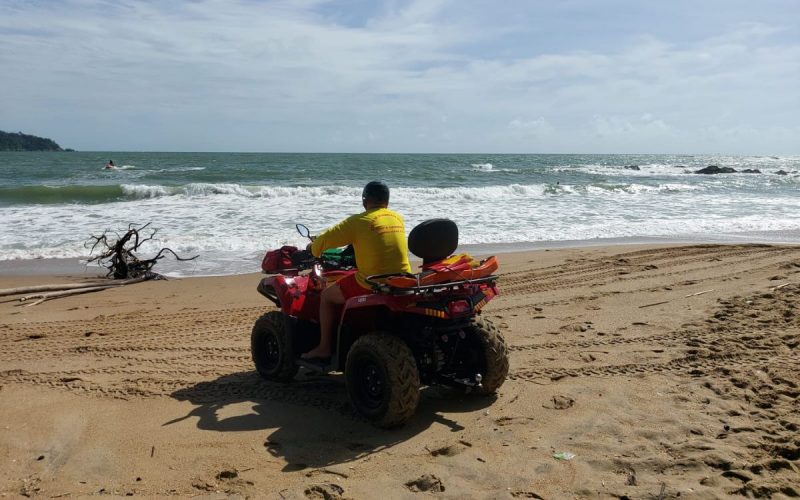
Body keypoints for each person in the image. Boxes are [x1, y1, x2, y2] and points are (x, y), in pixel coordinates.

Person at [301, 181, 411, 360]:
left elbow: (326, 239)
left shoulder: (358, 221)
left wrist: (313, 247)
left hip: (371, 282)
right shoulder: (398, 218)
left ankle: (324, 347)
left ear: (364, 201)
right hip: (402, 279)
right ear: (387, 202)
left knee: (327, 297)